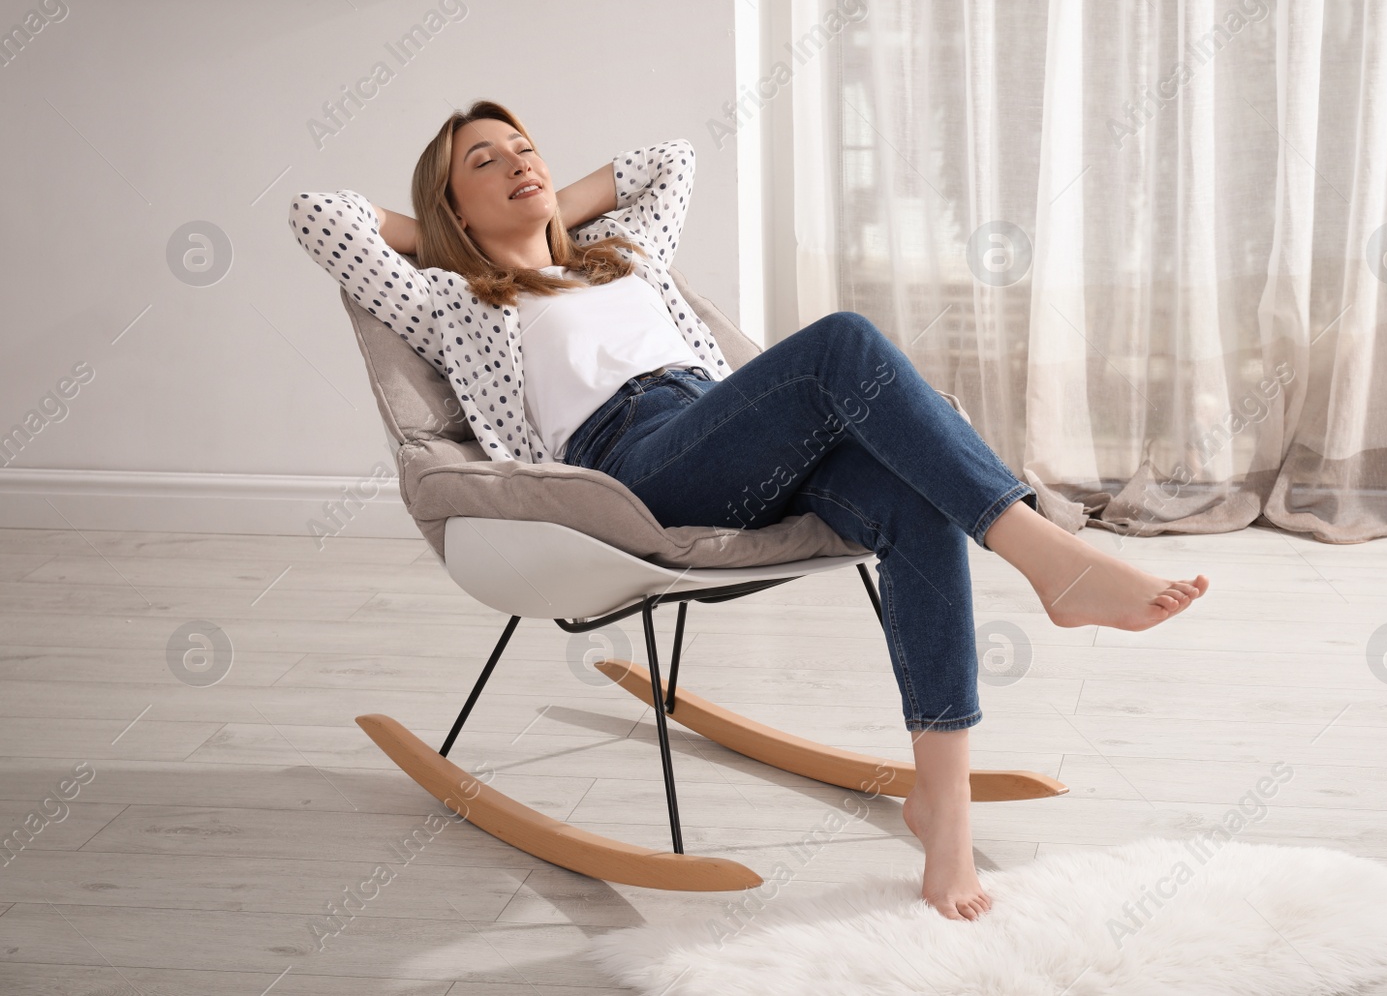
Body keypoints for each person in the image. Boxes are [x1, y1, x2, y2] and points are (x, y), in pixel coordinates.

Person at [288, 100, 1208, 922]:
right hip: (632, 462)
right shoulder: (452, 299)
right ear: (450, 207)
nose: (519, 162)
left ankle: (943, 807)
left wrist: (543, 209)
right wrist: (450, 237)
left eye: (525, 146)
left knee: (916, 501)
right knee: (841, 342)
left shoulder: (626, 256)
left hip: (722, 424)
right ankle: (1049, 556)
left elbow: (670, 157)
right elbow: (319, 216)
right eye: (484, 162)